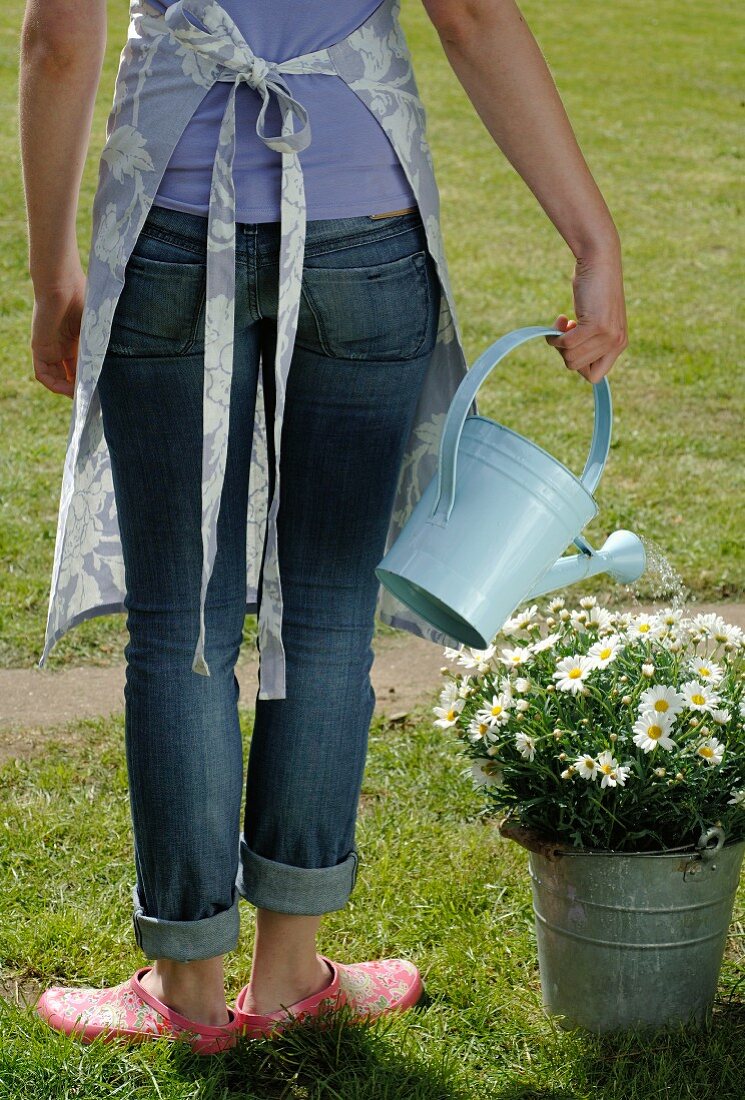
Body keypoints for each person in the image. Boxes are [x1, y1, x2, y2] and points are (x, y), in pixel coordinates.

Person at [19, 0, 627, 1053]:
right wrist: (591, 238)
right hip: (365, 226)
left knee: (180, 624)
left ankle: (189, 990)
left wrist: (50, 276)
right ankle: (291, 969)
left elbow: (60, 37)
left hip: (167, 215)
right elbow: (475, 16)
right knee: (332, 609)